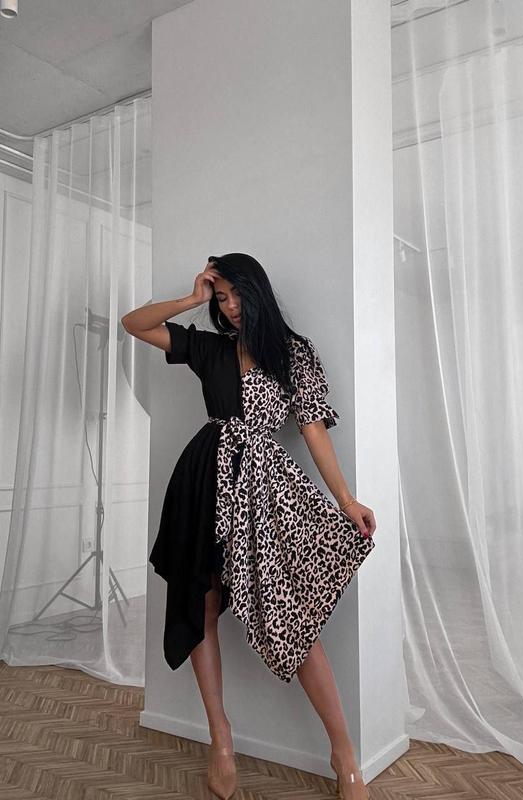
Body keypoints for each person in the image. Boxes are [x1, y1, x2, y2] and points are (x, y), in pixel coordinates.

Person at [122, 252, 376, 799]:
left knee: (293, 618)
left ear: (257, 291)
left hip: (264, 491)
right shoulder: (209, 348)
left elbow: (312, 428)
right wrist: (191, 299)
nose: (230, 306)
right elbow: (133, 324)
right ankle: (221, 739)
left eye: (236, 294)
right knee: (203, 604)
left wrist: (347, 499)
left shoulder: (292, 352)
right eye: (221, 297)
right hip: (203, 483)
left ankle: (343, 753)